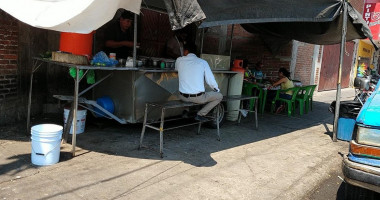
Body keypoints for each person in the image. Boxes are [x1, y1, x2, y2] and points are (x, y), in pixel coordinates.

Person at [175, 43, 223, 122]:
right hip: (197, 98)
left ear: (186, 51)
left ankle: (186, 111)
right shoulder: (202, 62)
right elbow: (210, 80)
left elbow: (176, 69)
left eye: (183, 51)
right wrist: (216, 89)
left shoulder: (179, 60)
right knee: (219, 96)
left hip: (182, 97)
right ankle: (200, 114)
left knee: (187, 90)